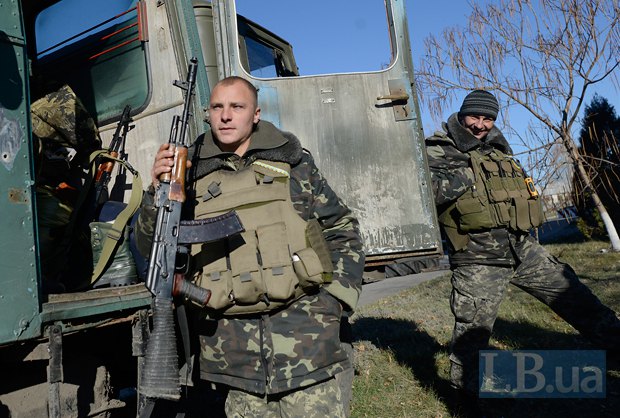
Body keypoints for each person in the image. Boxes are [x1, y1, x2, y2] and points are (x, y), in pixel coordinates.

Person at [135, 76, 364, 417]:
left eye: (236, 107)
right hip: (232, 358)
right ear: (207, 114)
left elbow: (341, 228)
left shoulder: (293, 163)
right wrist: (157, 192)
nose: (225, 116)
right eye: (217, 107)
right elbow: (151, 245)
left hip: (307, 343)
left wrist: (336, 301)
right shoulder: (188, 175)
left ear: (255, 114)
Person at [425, 89, 620, 396]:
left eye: (487, 118)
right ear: (462, 116)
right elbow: (426, 195)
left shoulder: (499, 150)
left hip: (521, 248)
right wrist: (466, 174)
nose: (480, 124)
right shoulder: (439, 148)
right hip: (479, 258)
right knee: (472, 336)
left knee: (578, 298)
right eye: (474, 117)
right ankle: (464, 400)